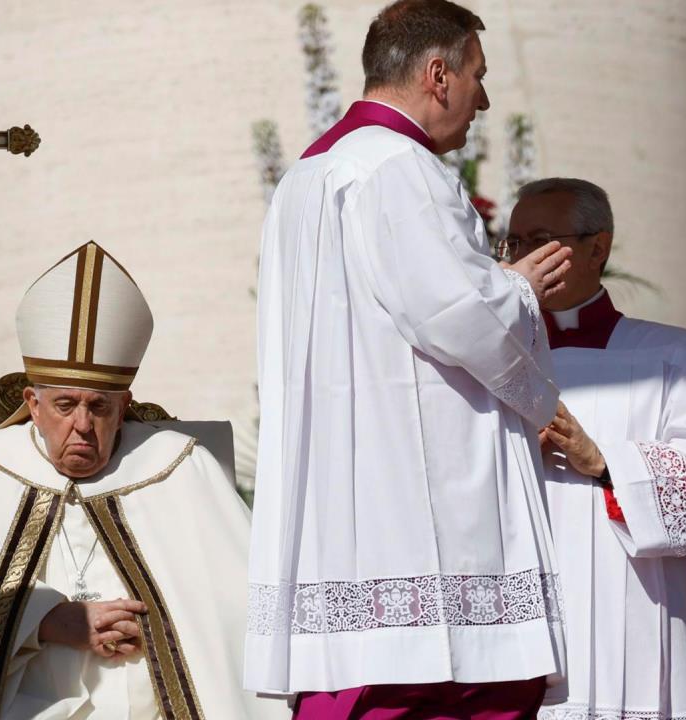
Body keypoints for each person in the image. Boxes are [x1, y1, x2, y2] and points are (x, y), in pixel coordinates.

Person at [246, 1, 578, 717]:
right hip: (418, 513)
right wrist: (520, 289)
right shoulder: (402, 170)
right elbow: (458, 319)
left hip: (345, 504)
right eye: (477, 76)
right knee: (441, 682)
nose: (484, 98)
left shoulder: (306, 179)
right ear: (438, 74)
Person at [0, 242, 282, 719]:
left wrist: (166, 628)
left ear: (123, 408)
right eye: (64, 405)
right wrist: (44, 622)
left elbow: (237, 615)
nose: (82, 424)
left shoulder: (180, 468)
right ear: (33, 406)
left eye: (99, 406)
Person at [500, 178, 686, 720]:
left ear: (596, 248)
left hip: (636, 607)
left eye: (541, 239)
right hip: (519, 612)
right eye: (513, 243)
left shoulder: (675, 355)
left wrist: (604, 463)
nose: (524, 257)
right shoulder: (488, 358)